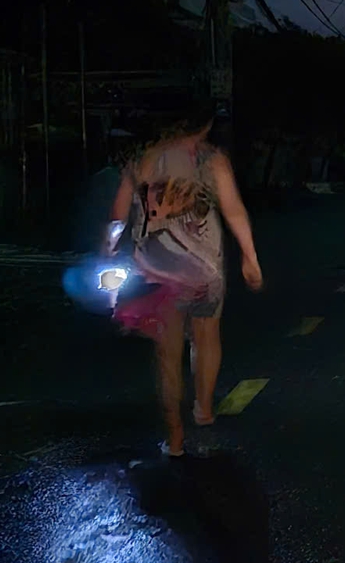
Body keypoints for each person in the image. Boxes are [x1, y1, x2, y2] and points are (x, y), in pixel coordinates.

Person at [107, 98, 263, 456]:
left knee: (167, 353)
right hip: (204, 269)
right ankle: (203, 409)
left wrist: (108, 250)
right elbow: (233, 210)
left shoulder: (141, 160)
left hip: (157, 271)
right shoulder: (211, 159)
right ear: (204, 125)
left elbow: (117, 217)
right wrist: (250, 257)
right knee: (206, 337)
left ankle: (175, 437)